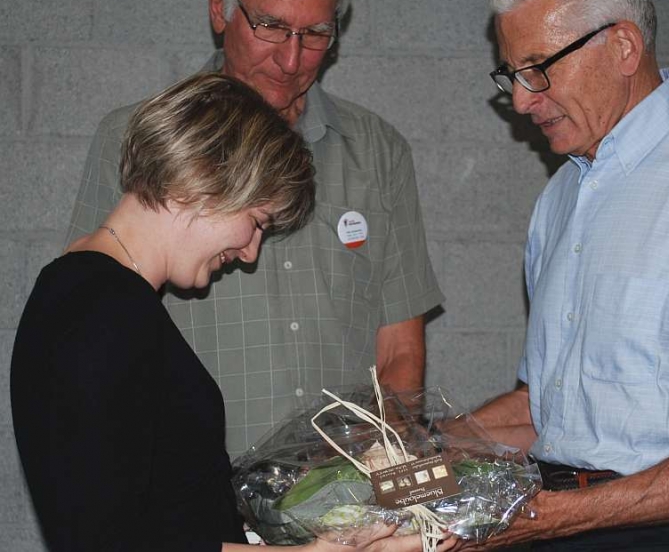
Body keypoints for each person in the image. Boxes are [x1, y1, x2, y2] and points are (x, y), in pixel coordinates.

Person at [10, 72, 440, 552]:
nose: (251, 251)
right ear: (206, 180)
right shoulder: (103, 314)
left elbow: (158, 525)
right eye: (256, 222)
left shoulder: (90, 296)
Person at [65, 0, 442, 458]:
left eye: (315, 33)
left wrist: (366, 469)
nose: (291, 60)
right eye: (271, 26)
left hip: (339, 502)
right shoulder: (136, 138)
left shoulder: (378, 152)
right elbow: (91, 323)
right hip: (190, 499)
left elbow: (401, 349)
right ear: (221, 6)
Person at [472, 0, 669, 550]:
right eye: (512, 75)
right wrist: (422, 441)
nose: (521, 100)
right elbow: (553, 410)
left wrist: (563, 516)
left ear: (623, 46)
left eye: (539, 69)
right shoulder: (561, 197)